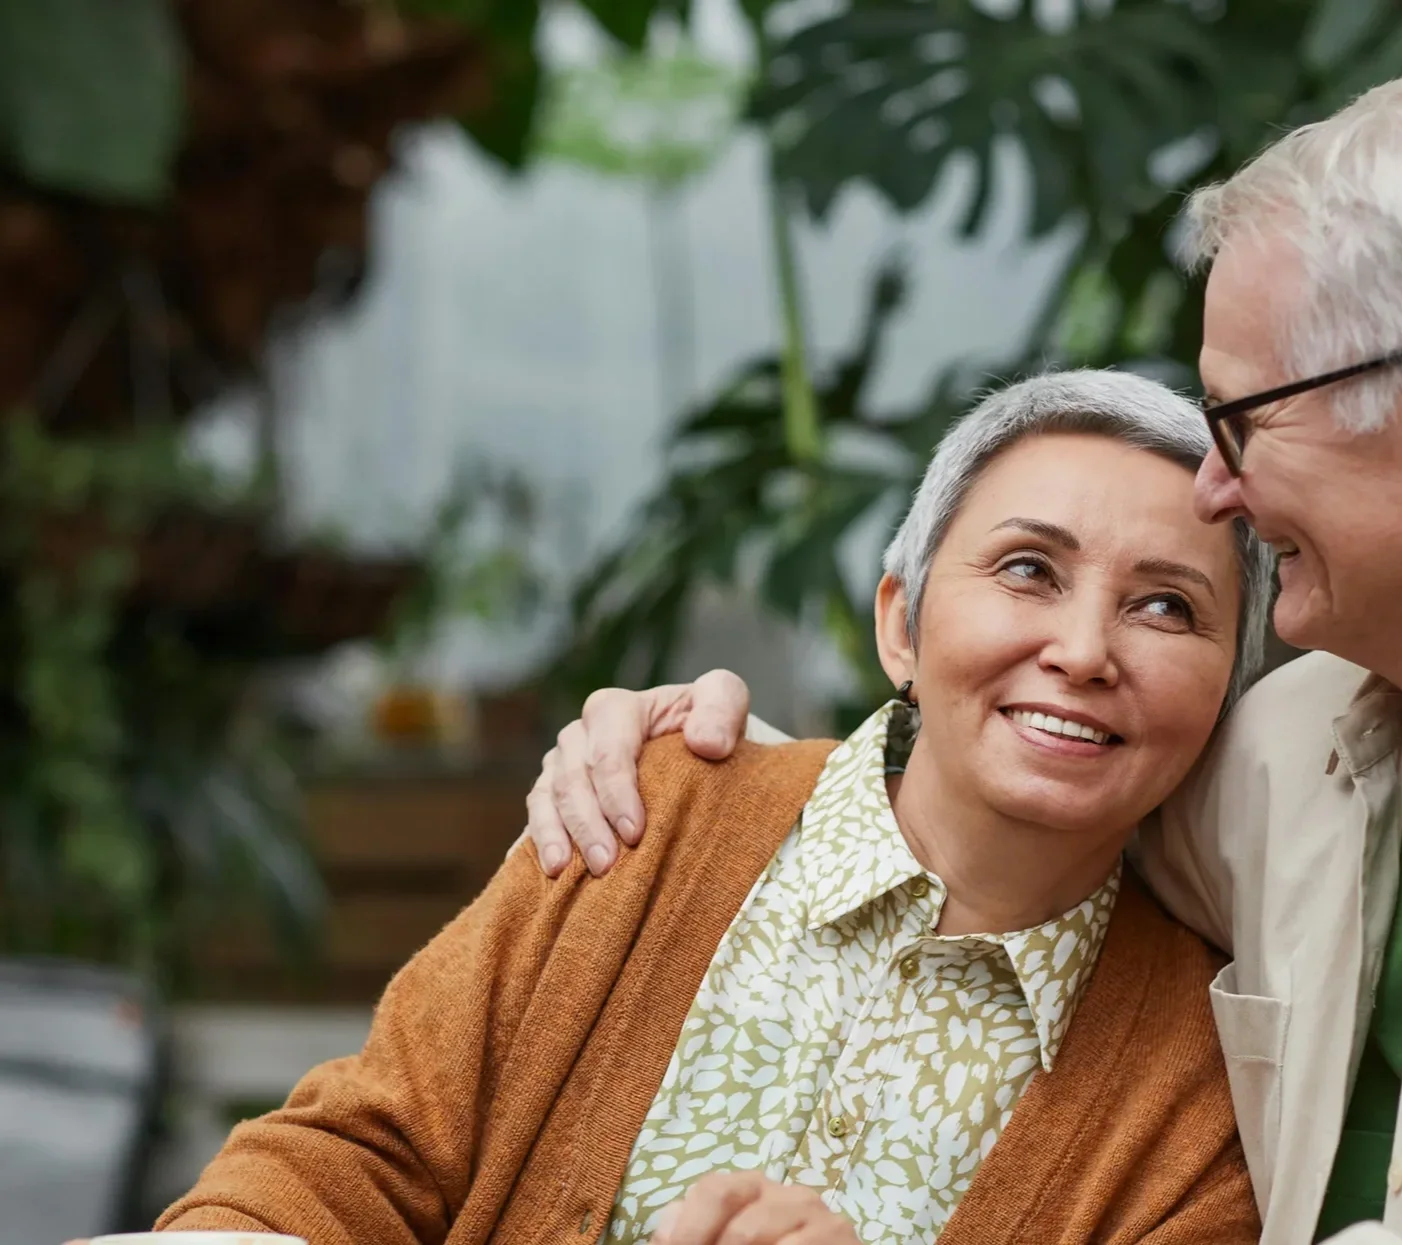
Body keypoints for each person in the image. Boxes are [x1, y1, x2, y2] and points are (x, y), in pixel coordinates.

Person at [519, 73, 1402, 1245]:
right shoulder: (1299, 739)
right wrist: (694, 778)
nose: (1214, 489)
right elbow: (1002, 792)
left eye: (1241, 418)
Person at [157, 370, 1268, 1245]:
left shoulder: (1197, 1096)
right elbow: (372, 1150)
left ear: (1228, 687)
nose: (1080, 652)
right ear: (900, 626)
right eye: (1028, 570)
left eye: (1166, 606)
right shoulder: (653, 812)